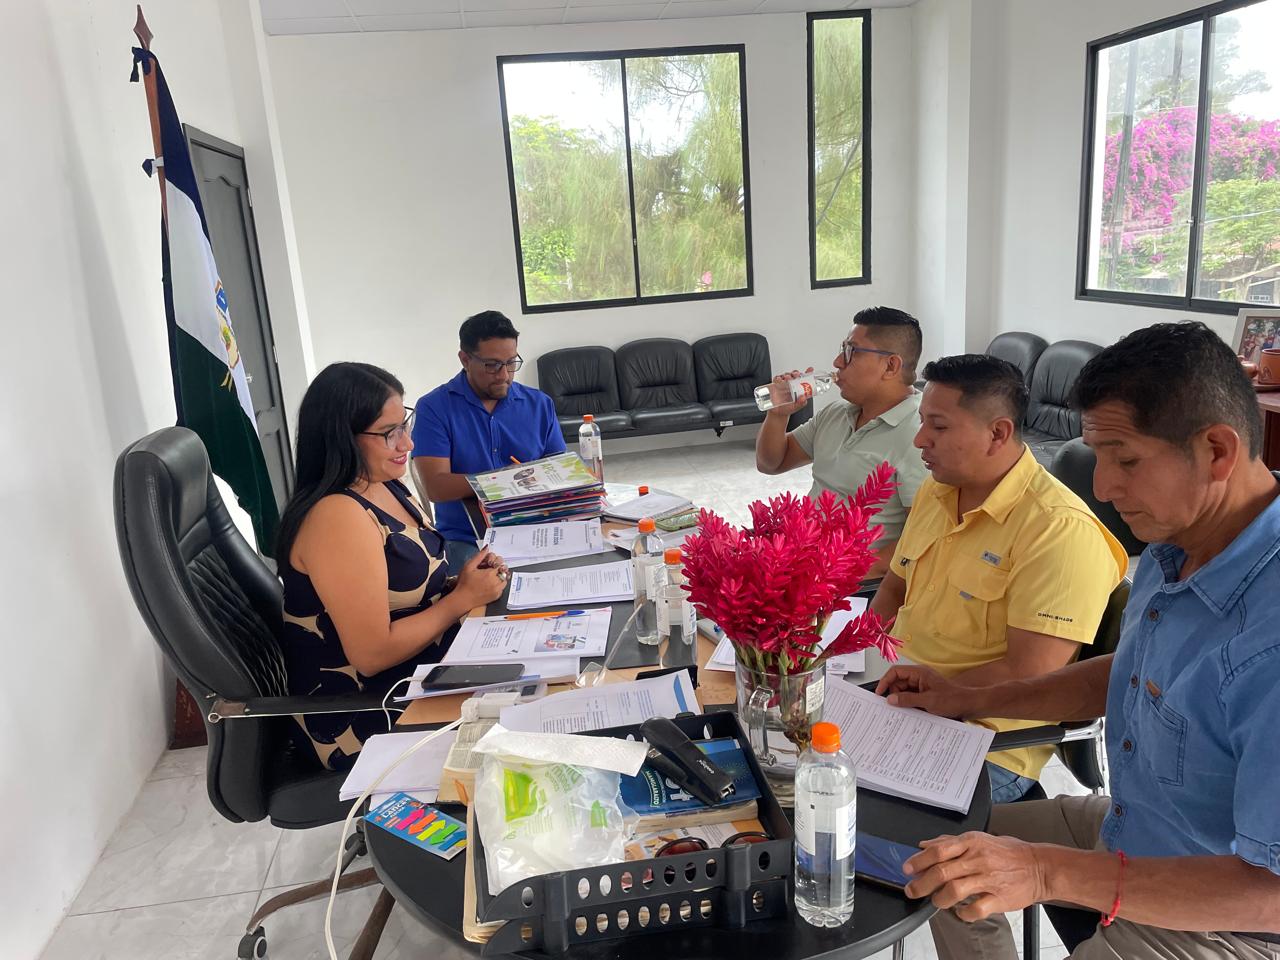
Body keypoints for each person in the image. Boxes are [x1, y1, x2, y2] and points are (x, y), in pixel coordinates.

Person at [877, 322, 1280, 959]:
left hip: (1225, 913)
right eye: (1098, 457)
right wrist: (964, 698)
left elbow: (1269, 892)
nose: (1103, 487)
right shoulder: (1179, 545)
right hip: (1137, 826)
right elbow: (1133, 670)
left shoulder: (1268, 635)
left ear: (1217, 451)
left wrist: (1044, 871)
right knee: (930, 856)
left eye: (1126, 460)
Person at [870, 354, 1126, 803]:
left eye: (938, 426)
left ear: (998, 433)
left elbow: (1031, 672)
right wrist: (851, 656)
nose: (920, 439)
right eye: (922, 422)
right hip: (899, 700)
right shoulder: (937, 489)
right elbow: (894, 587)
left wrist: (930, 697)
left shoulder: (1057, 529)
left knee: (831, 806)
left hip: (984, 741)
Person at [277, 362, 509, 770]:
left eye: (404, 424)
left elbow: (399, 591)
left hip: (418, 671)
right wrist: (460, 600)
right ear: (342, 438)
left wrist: (462, 582)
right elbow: (371, 653)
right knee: (539, 716)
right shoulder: (337, 516)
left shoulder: (385, 484)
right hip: (367, 710)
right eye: (389, 433)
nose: (408, 442)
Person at [755, 306, 929, 576]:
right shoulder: (836, 413)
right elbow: (771, 463)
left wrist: (830, 575)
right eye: (842, 349)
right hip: (801, 559)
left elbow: (919, 541)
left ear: (890, 366)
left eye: (851, 351)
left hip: (851, 583)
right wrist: (778, 416)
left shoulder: (919, 435)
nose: (837, 362)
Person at [412, 310, 566, 568]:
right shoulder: (434, 408)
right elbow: (436, 487)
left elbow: (559, 473)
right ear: (465, 359)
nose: (504, 375)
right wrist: (505, 480)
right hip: (468, 538)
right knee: (487, 591)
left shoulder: (539, 404)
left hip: (535, 530)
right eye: (492, 365)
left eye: (511, 363)